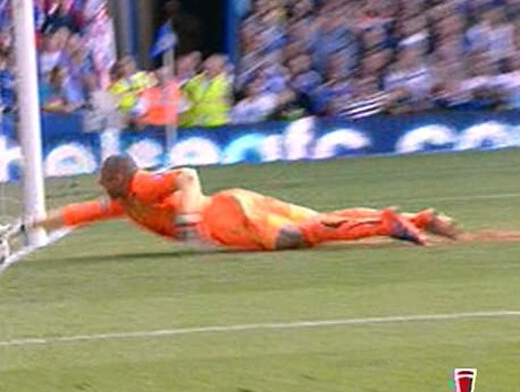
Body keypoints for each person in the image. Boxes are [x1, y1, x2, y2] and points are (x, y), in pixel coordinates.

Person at [25, 154, 460, 252]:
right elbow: (76, 214)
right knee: (322, 221)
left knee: (304, 235)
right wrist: (28, 225)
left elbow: (187, 175)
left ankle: (388, 224)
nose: (102, 186)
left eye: (107, 180)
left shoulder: (140, 185)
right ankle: (418, 218)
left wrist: (189, 219)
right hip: (235, 203)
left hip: (228, 220)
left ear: (122, 177)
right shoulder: (125, 201)